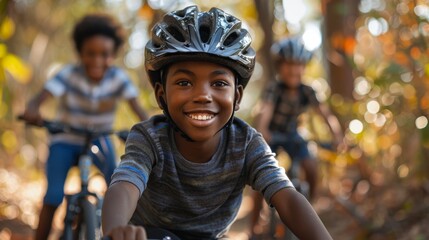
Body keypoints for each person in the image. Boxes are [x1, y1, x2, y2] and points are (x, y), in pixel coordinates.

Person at [102, 6, 333, 240]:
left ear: (237, 97)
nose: (203, 95)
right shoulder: (149, 138)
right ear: (162, 95)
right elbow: (126, 184)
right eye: (184, 82)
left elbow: (288, 198)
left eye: (219, 84)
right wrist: (116, 230)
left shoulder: (246, 143)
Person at [20, 13, 148, 240]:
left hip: (101, 138)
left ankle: (111, 232)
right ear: (80, 53)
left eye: (105, 54)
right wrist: (33, 110)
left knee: (120, 186)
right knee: (53, 196)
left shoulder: (119, 78)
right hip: (65, 139)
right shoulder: (68, 75)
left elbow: (139, 110)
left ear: (113, 55)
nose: (98, 60)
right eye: (91, 53)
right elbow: (40, 98)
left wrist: (151, 127)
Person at [249, 37, 344, 237]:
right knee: (258, 176)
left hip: (293, 135)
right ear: (280, 67)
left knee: (311, 167)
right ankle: (255, 222)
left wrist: (337, 135)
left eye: (299, 65)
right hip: (272, 134)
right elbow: (266, 110)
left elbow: (325, 114)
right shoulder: (275, 88)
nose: (294, 70)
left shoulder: (307, 90)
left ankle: (310, 208)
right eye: (289, 65)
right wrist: (262, 130)